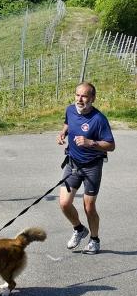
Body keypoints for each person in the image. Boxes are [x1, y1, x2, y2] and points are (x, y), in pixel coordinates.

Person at [56, 81, 115, 254]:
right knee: (64, 203)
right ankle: (79, 229)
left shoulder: (99, 119)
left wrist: (92, 142)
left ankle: (94, 240)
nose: (80, 99)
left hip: (92, 167)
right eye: (77, 95)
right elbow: (68, 123)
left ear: (93, 98)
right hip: (72, 163)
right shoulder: (70, 110)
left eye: (84, 96)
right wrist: (62, 133)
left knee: (89, 207)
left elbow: (111, 145)